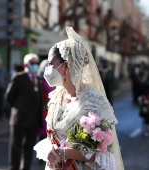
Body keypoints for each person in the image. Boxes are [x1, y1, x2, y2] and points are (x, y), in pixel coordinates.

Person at [34, 27, 124, 170]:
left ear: (67, 65)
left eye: (51, 63)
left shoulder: (93, 101)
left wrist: (63, 152)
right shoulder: (57, 96)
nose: (48, 68)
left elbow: (102, 154)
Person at [5, 53, 43, 170]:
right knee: (16, 147)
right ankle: (14, 167)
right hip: (20, 118)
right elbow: (9, 97)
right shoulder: (19, 77)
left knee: (29, 146)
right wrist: (17, 109)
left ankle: (26, 167)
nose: (35, 65)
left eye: (37, 63)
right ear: (26, 64)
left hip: (33, 120)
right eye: (32, 63)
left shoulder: (38, 80)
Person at [37, 59, 55, 139]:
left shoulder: (53, 80)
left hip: (51, 108)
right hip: (44, 108)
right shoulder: (41, 81)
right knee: (43, 130)